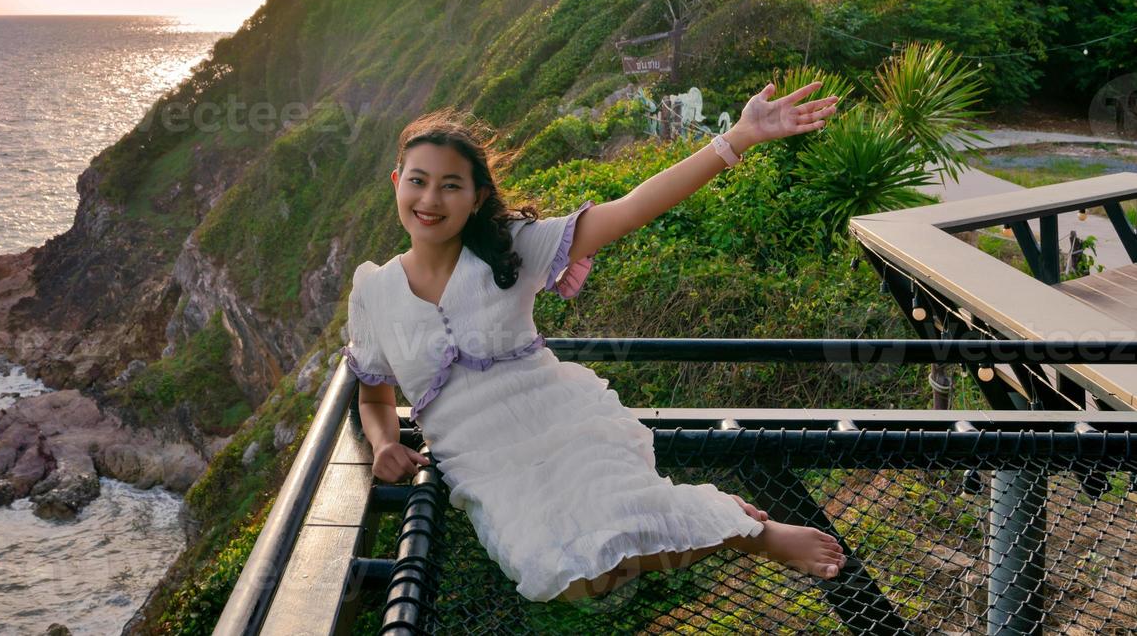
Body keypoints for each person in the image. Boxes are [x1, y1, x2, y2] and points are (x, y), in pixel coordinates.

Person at [341, 80, 847, 603]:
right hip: (481, 457)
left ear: (477, 199)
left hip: (558, 416)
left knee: (623, 517)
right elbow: (374, 394)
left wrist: (736, 138)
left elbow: (630, 208)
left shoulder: (510, 247)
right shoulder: (374, 290)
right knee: (560, 581)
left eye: (450, 185)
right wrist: (383, 444)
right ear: (398, 181)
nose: (430, 199)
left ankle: (755, 536)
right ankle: (719, 519)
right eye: (418, 181)